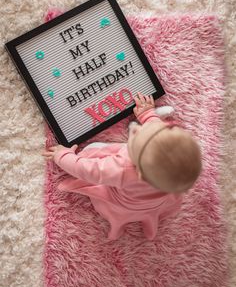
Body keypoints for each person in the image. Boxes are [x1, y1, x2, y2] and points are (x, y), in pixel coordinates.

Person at [42, 92, 202, 240]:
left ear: (138, 170)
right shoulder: (172, 175)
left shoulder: (122, 169)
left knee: (91, 149)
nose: (136, 129)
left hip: (119, 203)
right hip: (154, 204)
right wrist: (147, 114)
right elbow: (158, 134)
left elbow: (85, 169)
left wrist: (62, 155)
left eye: (135, 136)